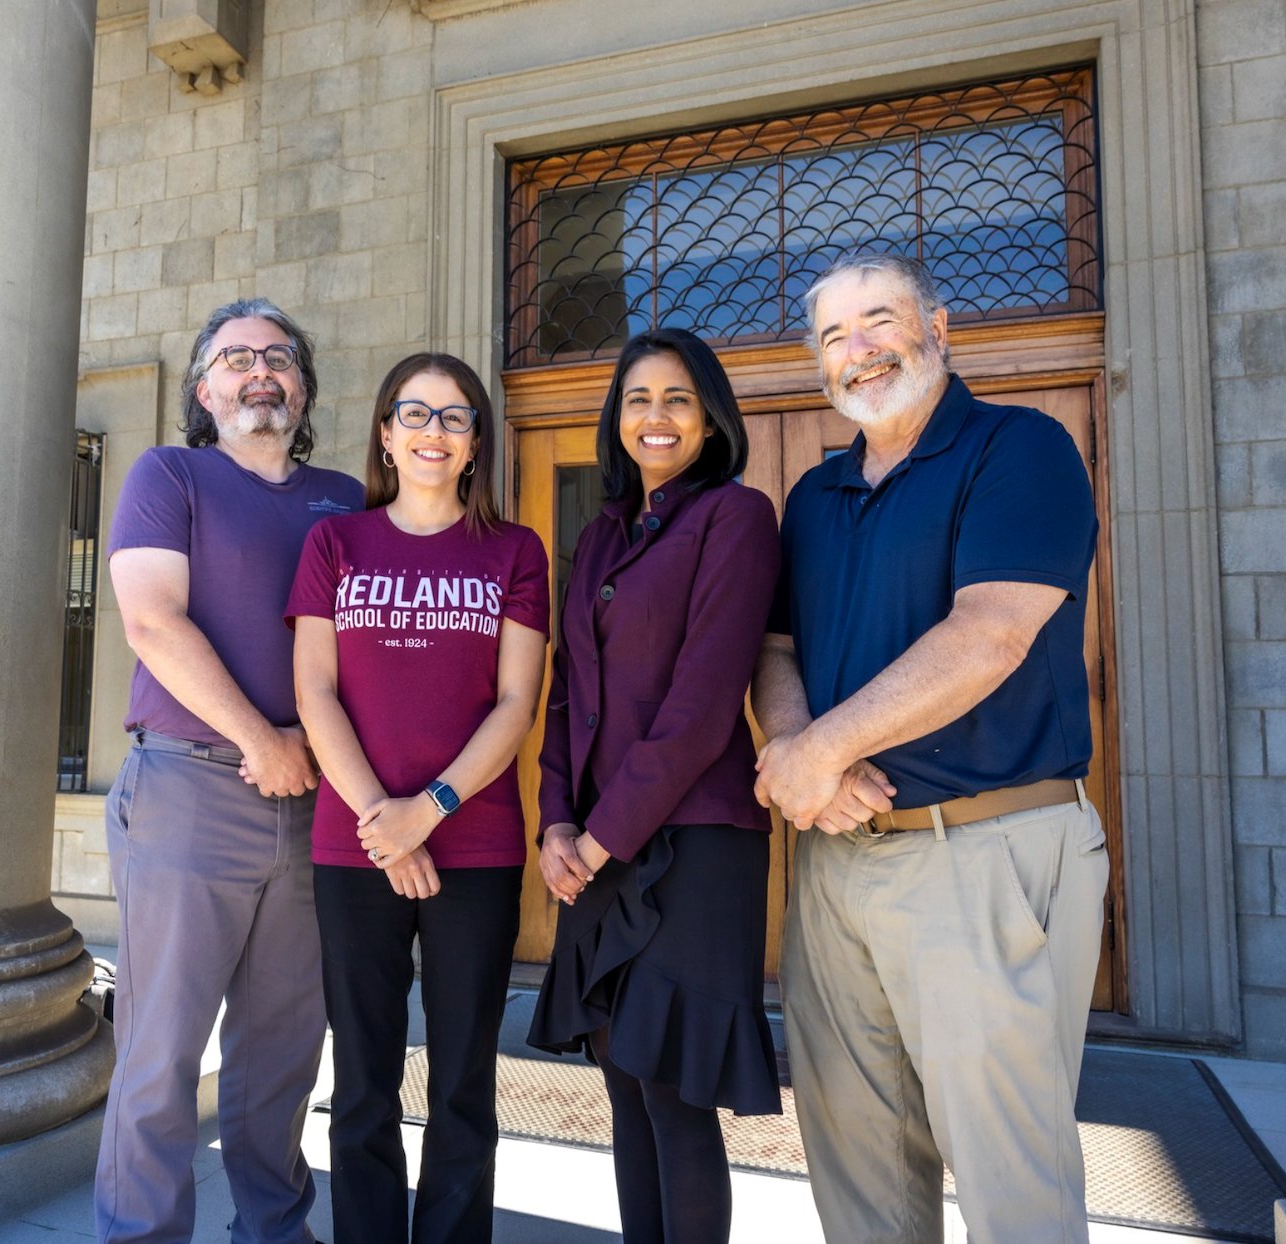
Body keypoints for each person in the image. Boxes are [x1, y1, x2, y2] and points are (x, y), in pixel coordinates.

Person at [753, 250, 1107, 1244]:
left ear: (937, 328)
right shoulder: (813, 497)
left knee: (1011, 1181)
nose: (857, 349)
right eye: (833, 334)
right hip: (835, 860)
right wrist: (795, 748)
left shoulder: (1018, 448)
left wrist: (817, 750)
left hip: (980, 852)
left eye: (878, 320)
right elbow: (775, 649)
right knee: (858, 1172)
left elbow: (991, 631)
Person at [94, 298, 364, 1244]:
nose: (260, 373)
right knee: (160, 1052)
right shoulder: (171, 474)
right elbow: (151, 620)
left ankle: (275, 1233)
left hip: (319, 807)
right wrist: (263, 740)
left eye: (279, 357)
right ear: (204, 390)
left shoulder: (347, 496)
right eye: (236, 358)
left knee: (283, 1055)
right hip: (192, 790)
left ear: (304, 387)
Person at [525, 327, 784, 1244]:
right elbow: (566, 693)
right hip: (597, 845)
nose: (657, 416)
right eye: (638, 399)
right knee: (622, 1081)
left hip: (694, 845)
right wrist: (557, 823)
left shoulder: (735, 517)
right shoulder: (601, 535)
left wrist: (598, 838)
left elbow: (702, 707)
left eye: (678, 398)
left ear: (711, 419)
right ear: (617, 419)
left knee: (673, 1094)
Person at [286, 353, 549, 1244]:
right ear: (386, 435)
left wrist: (426, 811)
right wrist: (385, 825)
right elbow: (315, 692)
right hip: (354, 845)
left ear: (476, 443)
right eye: (415, 413)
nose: (434, 431)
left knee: (465, 1079)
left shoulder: (514, 551)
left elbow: (516, 703)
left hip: (475, 845)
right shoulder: (336, 544)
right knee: (363, 1079)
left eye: (454, 416)